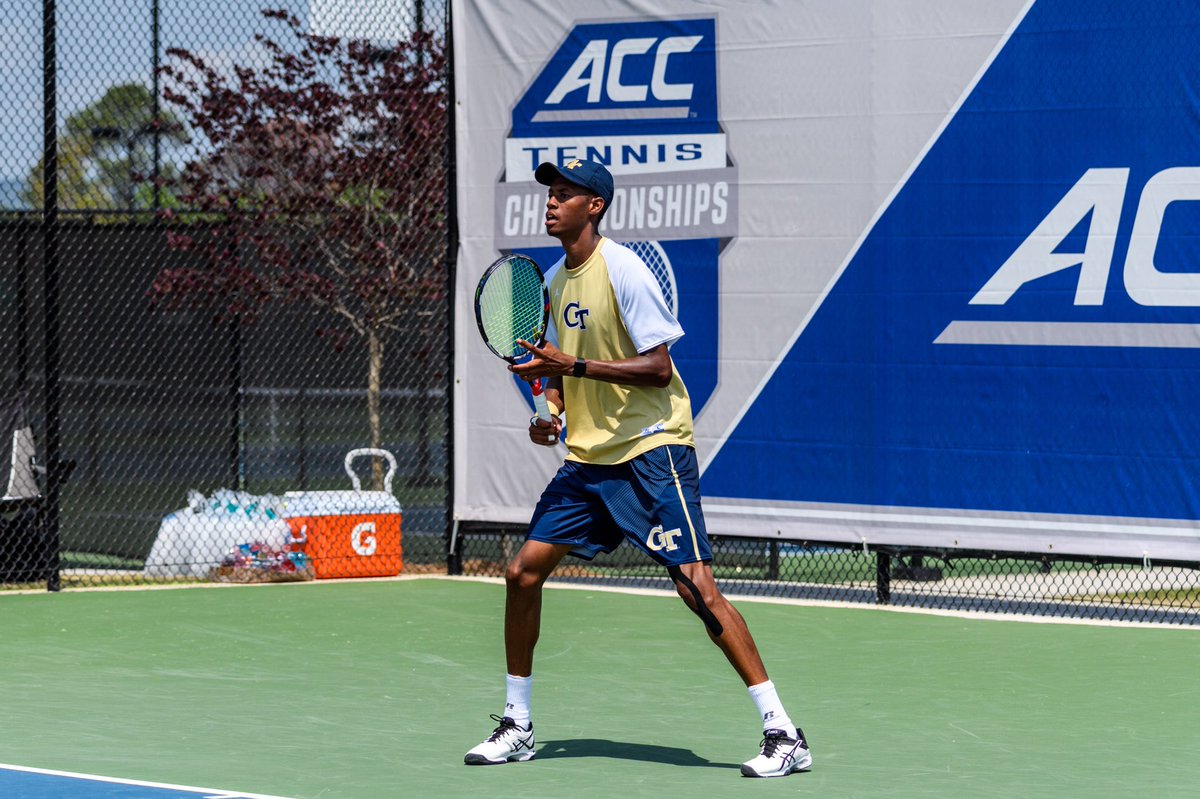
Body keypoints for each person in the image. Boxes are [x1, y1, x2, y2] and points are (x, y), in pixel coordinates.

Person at [464, 158, 811, 778]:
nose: (551, 203)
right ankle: (517, 724)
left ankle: (783, 733)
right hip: (589, 460)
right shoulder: (547, 282)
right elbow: (555, 377)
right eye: (550, 193)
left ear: (593, 206)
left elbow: (656, 367)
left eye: (564, 194)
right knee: (521, 573)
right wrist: (549, 409)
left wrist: (570, 369)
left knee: (696, 589)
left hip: (653, 449)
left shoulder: (624, 271)